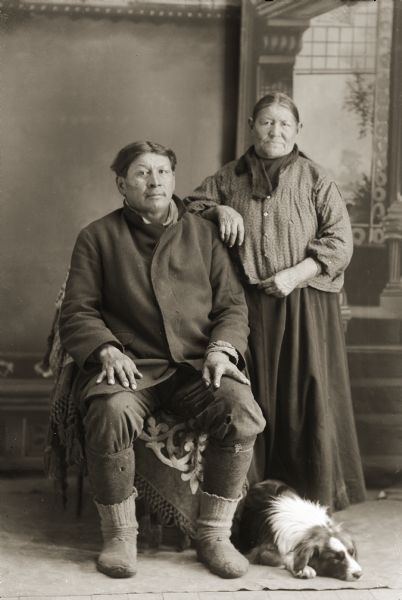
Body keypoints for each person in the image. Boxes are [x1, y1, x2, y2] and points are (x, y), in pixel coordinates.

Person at [59, 140, 265, 580]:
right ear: (121, 184)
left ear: (174, 179)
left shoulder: (203, 234)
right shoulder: (97, 237)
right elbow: (77, 310)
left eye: (163, 172)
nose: (154, 181)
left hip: (196, 364)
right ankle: (119, 535)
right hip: (132, 367)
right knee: (110, 410)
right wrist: (104, 348)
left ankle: (213, 534)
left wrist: (221, 348)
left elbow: (232, 307)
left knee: (242, 411)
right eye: (141, 173)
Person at [185, 92, 366, 511]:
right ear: (252, 125)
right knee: (256, 395)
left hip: (305, 307)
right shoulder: (229, 177)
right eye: (267, 122)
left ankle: (309, 500)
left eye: (285, 124)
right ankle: (250, 502)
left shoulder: (315, 178)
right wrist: (219, 213)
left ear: (298, 130)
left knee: (303, 394)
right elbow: (191, 207)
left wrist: (293, 275)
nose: (276, 131)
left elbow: (340, 243)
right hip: (244, 307)